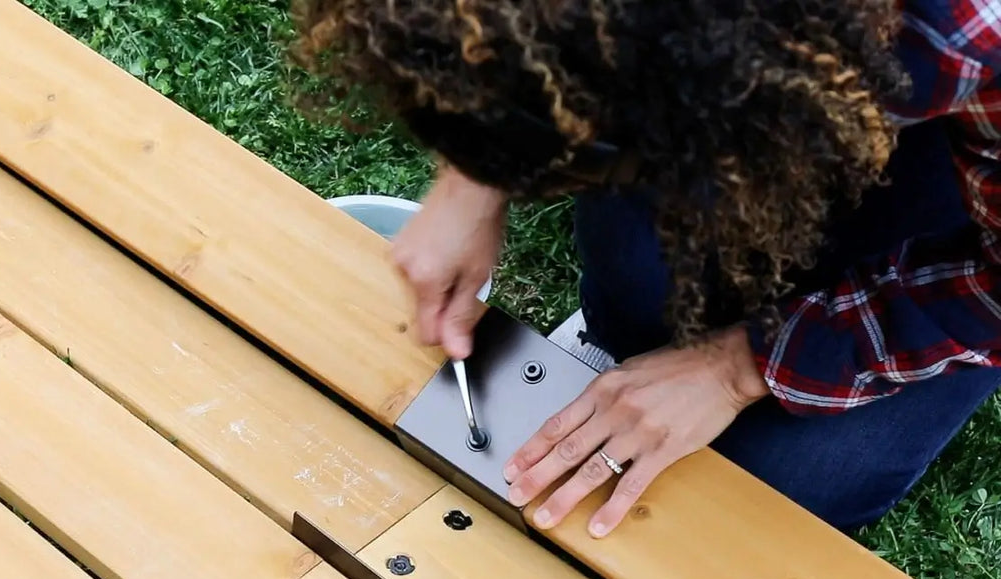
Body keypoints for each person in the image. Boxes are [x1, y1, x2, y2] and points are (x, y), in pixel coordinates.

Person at [291, 0, 1001, 539]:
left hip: (953, 164)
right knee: (639, 281)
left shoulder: (966, 29)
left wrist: (736, 369)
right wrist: (477, 171)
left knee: (789, 486)